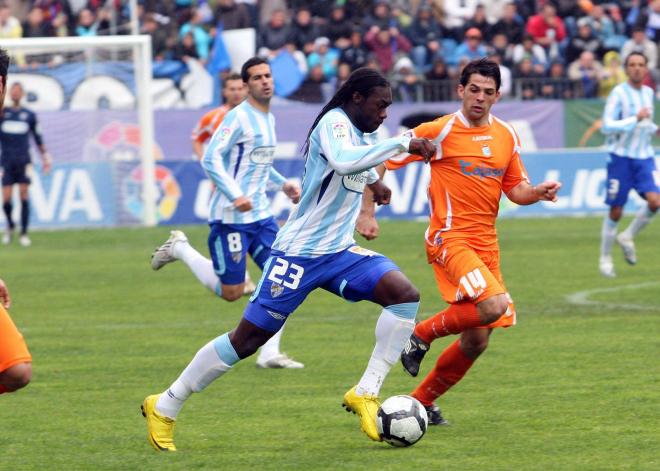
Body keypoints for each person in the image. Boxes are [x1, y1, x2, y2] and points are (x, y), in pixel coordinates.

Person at [142, 67, 436, 451]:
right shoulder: (333, 122)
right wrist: (404, 143)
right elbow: (345, 160)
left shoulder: (367, 132)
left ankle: (365, 392)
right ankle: (165, 404)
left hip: (338, 251)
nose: (384, 114)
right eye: (381, 106)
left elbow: (354, 168)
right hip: (298, 253)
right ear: (357, 98)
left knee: (404, 296)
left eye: (389, 108)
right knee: (246, 341)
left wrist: (374, 182)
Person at [360, 58, 561, 425]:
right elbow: (379, 160)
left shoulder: (506, 135)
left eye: (487, 92)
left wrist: (537, 192)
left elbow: (515, 189)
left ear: (498, 96)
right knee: (494, 304)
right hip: (449, 238)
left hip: (486, 245)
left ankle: (421, 403)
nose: (479, 98)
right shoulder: (439, 131)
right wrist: (367, 211)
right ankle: (419, 335)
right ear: (460, 91)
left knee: (477, 341)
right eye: (473, 90)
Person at [151, 58, 303, 370]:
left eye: (268, 75)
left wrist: (282, 185)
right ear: (246, 86)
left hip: (260, 217)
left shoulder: (269, 120)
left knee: (285, 277)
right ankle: (180, 249)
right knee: (231, 292)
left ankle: (269, 353)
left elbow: (259, 163)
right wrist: (235, 195)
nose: (265, 81)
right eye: (257, 77)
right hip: (230, 217)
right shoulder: (237, 119)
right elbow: (210, 159)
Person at [598, 52, 659, 278]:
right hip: (620, 157)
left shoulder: (648, 93)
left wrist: (654, 129)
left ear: (646, 68)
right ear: (626, 68)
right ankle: (605, 258)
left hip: (644, 156)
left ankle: (628, 235)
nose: (637, 68)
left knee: (655, 202)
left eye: (641, 64)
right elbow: (606, 126)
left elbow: (647, 122)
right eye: (632, 65)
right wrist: (635, 119)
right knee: (616, 210)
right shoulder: (618, 93)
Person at [0, 48, 32, 395]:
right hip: (10, 167)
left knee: (16, 371)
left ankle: (20, 231)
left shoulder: (26, 117)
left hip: (21, 165)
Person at [1, 82, 52, 247]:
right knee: (6, 198)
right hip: (6, 161)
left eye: (18, 92)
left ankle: (24, 233)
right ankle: (10, 225)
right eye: (13, 92)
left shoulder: (29, 115)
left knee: (24, 194)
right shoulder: (3, 113)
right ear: (10, 94)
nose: (15, 94)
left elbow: (38, 138)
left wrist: (45, 156)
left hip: (24, 160)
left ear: (22, 94)